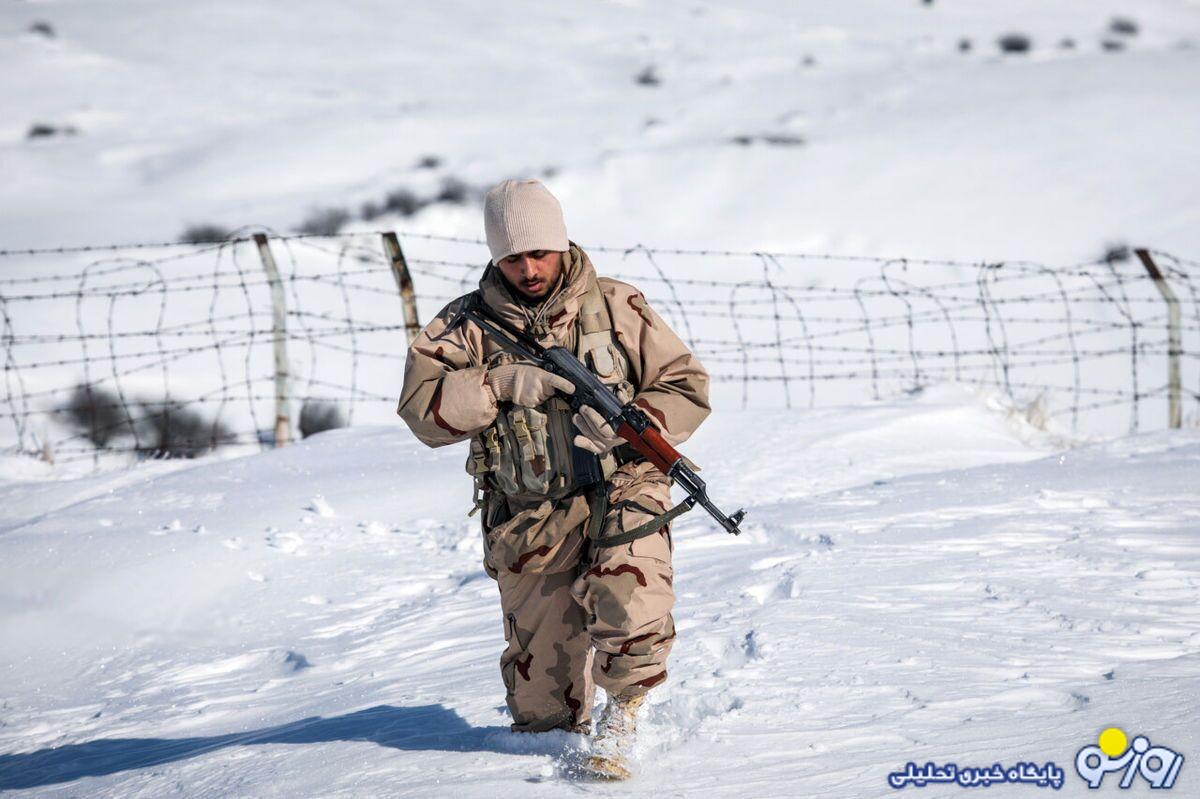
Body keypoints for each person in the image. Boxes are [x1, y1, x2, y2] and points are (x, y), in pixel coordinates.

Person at [396, 178, 710, 779]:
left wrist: (631, 424)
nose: (530, 268)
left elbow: (685, 384)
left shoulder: (617, 305)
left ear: (561, 243)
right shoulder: (461, 327)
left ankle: (625, 713)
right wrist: (496, 385)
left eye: (540, 252)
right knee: (542, 704)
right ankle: (544, 753)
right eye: (513, 257)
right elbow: (422, 414)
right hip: (528, 508)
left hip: (624, 483)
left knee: (630, 590)